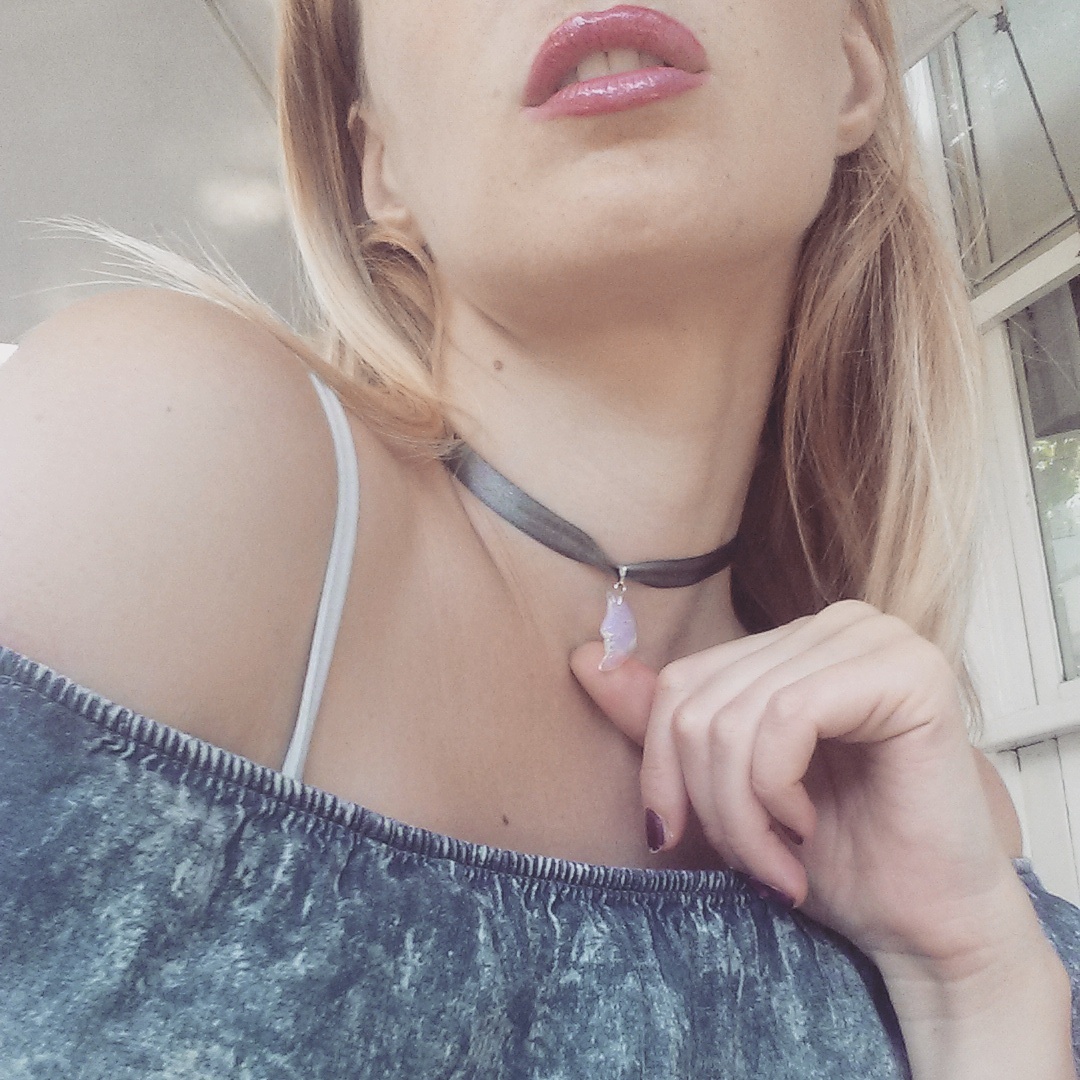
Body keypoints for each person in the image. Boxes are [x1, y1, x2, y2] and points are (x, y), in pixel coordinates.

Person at [1, 0, 1078, 1076]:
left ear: (852, 76)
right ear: (380, 168)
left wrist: (974, 984)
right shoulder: (168, 459)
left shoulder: (933, 823)